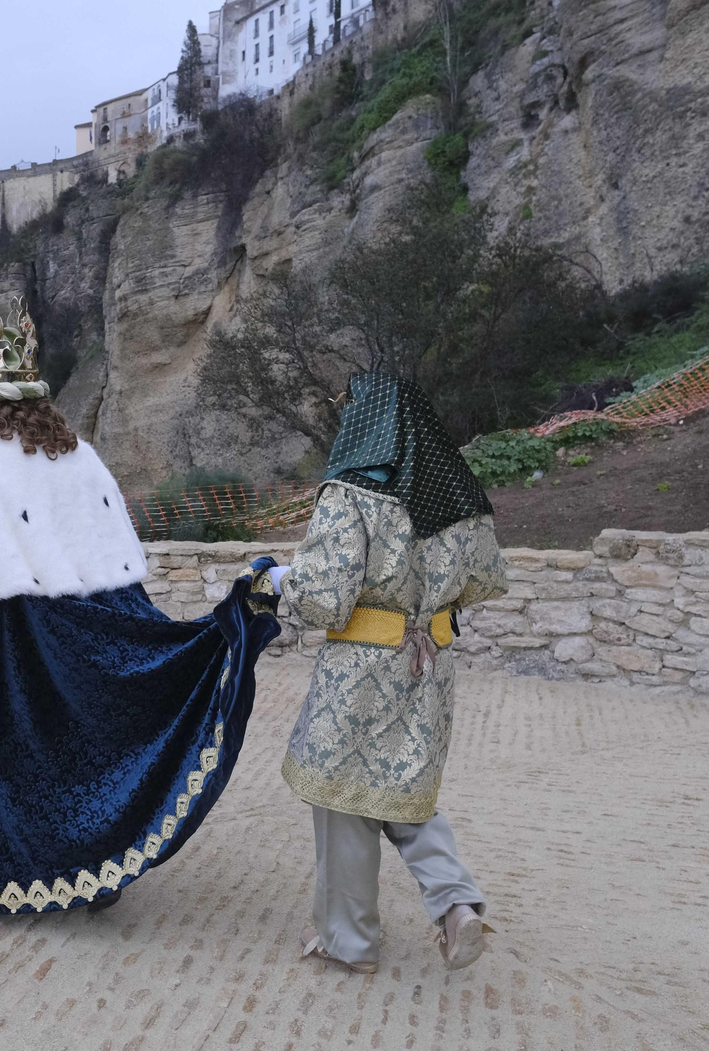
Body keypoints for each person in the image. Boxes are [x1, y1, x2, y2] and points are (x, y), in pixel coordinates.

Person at [0, 299, 281, 914]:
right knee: (82, 758)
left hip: (13, 647)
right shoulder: (80, 458)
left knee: (21, 764)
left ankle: (18, 875)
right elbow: (115, 559)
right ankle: (94, 871)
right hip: (87, 635)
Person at [268, 371, 508, 973]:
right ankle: (456, 904)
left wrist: (279, 580)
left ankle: (349, 944)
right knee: (405, 791)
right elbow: (486, 580)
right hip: (430, 666)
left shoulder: (351, 493)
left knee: (343, 802)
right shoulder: (458, 496)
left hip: (359, 671)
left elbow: (324, 598)